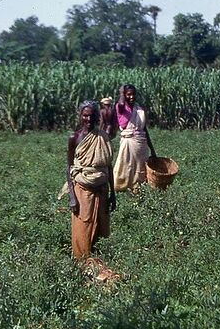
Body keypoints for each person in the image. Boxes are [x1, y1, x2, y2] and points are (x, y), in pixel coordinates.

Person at [67, 100, 116, 258]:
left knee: (101, 228)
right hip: (82, 191)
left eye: (91, 115)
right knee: (83, 228)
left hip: (102, 190)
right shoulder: (74, 138)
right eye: (85, 115)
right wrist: (72, 198)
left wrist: (113, 193)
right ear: (80, 116)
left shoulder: (103, 137)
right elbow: (69, 168)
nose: (88, 119)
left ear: (97, 117)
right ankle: (82, 262)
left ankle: (100, 261)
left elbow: (108, 167)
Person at [113, 85, 156, 191]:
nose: (132, 97)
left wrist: (152, 150)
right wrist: (121, 92)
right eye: (128, 94)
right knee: (126, 167)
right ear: (124, 95)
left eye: (133, 94)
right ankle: (123, 188)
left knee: (140, 170)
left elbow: (144, 130)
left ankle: (138, 189)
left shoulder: (139, 109)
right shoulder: (121, 107)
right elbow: (122, 103)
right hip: (128, 143)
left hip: (141, 144)